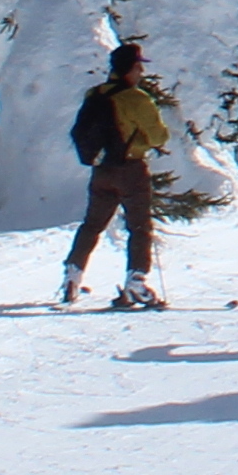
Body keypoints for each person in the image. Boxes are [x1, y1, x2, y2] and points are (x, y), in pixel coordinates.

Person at [61, 42, 178, 311]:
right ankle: (136, 283)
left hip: (101, 170)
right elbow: (159, 136)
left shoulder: (95, 94)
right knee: (139, 227)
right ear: (129, 68)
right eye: (138, 66)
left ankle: (72, 275)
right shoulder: (136, 98)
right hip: (131, 170)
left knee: (92, 224)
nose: (141, 72)